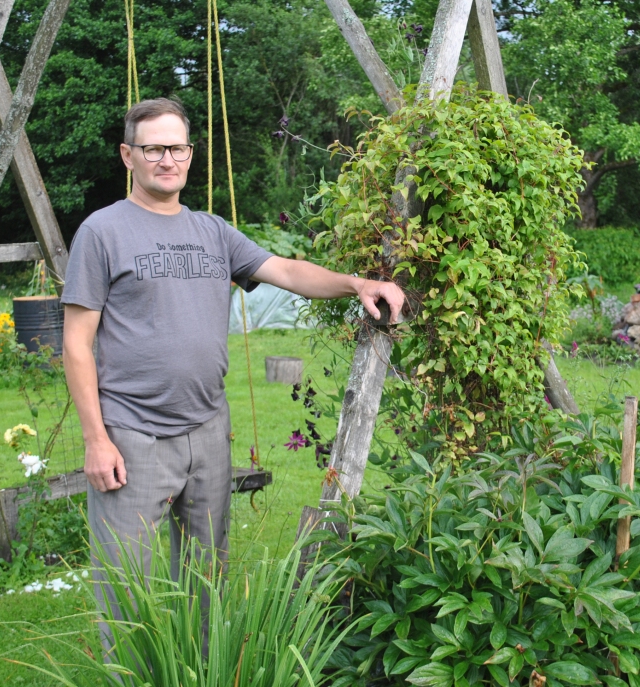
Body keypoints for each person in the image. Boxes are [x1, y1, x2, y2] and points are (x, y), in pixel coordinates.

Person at [61, 97, 404, 645]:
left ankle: (199, 673)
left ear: (190, 155)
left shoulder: (213, 232)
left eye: (176, 148)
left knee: (207, 581)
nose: (166, 159)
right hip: (133, 435)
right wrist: (95, 439)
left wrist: (358, 284)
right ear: (129, 155)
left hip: (206, 430)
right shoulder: (102, 232)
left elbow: (286, 269)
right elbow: (75, 344)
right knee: (127, 590)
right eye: (153, 149)